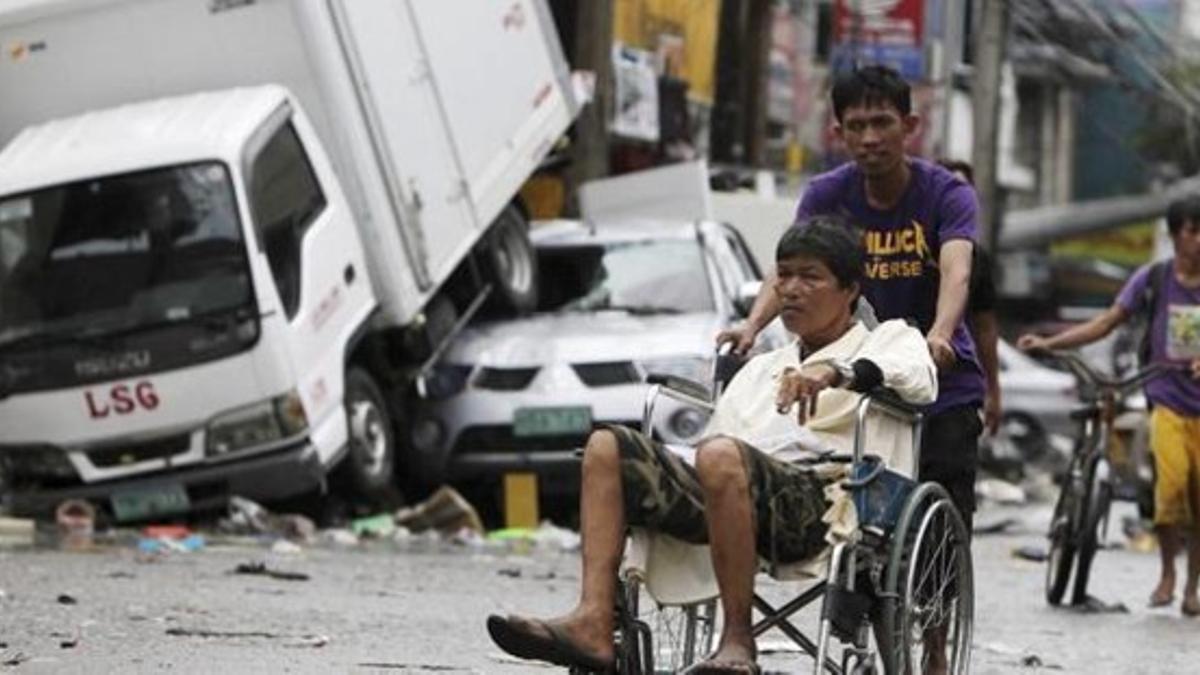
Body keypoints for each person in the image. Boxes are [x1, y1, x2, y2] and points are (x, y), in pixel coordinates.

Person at [486, 219, 937, 673]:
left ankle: (738, 639)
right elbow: (716, 445)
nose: (792, 289)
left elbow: (917, 377)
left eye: (811, 277)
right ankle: (594, 621)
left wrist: (836, 373)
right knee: (607, 447)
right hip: (729, 491)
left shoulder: (889, 339)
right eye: (784, 275)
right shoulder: (763, 369)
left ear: (849, 290)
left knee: (721, 455)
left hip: (821, 504)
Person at [719, 65, 987, 536]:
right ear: (838, 133)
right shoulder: (827, 193)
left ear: (909, 126)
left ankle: (938, 600)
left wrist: (940, 333)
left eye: (882, 123)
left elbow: (956, 269)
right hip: (854, 377)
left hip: (941, 380)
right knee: (859, 515)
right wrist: (752, 327)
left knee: (942, 515)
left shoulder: (947, 193)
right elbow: (787, 269)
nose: (870, 138)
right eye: (857, 127)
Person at [1017, 196, 1200, 617]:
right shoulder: (1153, 278)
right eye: (1190, 230)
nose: (1197, 239)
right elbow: (1105, 323)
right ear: (1174, 236)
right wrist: (1049, 343)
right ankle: (1168, 572)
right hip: (1166, 397)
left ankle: (1193, 585)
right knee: (1170, 489)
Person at [937, 159, 1003, 436]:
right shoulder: (902, 246)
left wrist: (994, 390)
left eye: (963, 191)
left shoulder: (978, 260)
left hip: (955, 390)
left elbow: (985, 327)